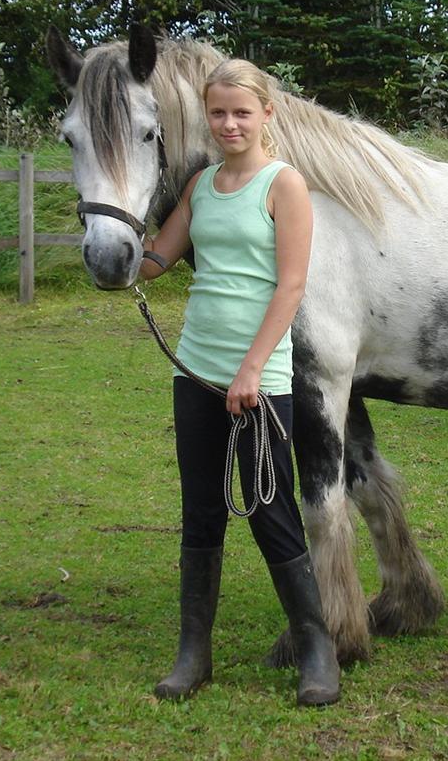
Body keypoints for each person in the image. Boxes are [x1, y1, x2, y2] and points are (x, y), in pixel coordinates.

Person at [137, 58, 340, 707]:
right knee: (200, 512)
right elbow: (159, 259)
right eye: (218, 113)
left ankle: (317, 647)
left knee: (270, 509)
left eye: (241, 113)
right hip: (194, 368)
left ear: (266, 116)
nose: (229, 124)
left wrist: (252, 367)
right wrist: (112, 245)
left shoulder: (285, 186)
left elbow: (292, 286)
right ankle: (193, 654)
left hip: (259, 375)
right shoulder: (199, 186)